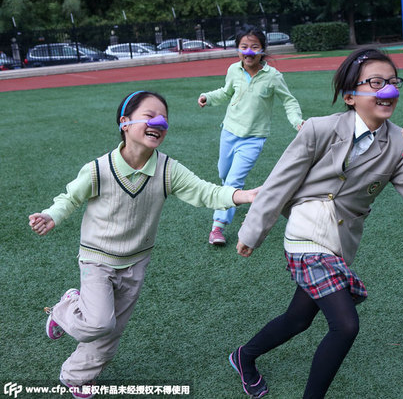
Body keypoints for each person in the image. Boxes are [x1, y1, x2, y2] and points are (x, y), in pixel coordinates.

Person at [228, 48, 403, 399]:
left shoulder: (396, 146)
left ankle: (244, 356)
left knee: (298, 318)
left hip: (340, 243)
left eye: (392, 82)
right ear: (350, 96)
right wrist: (253, 231)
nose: (386, 90)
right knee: (345, 325)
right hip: (305, 234)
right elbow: (279, 182)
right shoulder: (319, 129)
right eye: (375, 82)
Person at [29, 91, 258, 399]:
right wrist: (51, 215)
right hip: (97, 258)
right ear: (125, 123)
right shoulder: (99, 169)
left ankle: (76, 376)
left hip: (136, 262)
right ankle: (65, 307)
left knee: (112, 331)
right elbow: (69, 198)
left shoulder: (168, 170)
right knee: (97, 322)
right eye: (150, 116)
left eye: (164, 119)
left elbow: (205, 192)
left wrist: (243, 195)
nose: (160, 122)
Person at [197, 26, 304, 246]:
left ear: (262, 50)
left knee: (233, 181)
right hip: (229, 131)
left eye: (254, 47)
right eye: (244, 47)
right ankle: (231, 197)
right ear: (238, 50)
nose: (249, 51)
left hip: (254, 138)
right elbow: (226, 92)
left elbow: (289, 100)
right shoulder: (233, 70)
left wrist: (297, 121)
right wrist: (208, 97)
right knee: (224, 173)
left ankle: (217, 226)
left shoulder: (273, 76)